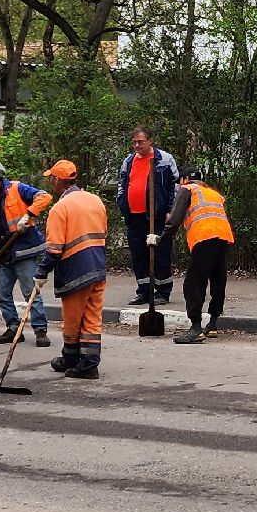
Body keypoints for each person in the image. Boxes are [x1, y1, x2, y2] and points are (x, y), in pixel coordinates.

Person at [38, 159, 111, 379]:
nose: (51, 181)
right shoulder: (95, 200)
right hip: (98, 267)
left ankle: (70, 358)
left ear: (58, 180)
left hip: (75, 271)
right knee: (91, 318)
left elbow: (54, 248)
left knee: (72, 320)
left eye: (52, 178)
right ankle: (89, 363)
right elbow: (104, 232)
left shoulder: (60, 208)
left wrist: (41, 272)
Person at [0, 159, 49, 346]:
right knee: (3, 293)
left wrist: (29, 214)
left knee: (30, 292)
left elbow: (44, 197)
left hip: (24, 252)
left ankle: (40, 330)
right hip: (2, 255)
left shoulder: (17, 189)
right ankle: (13, 328)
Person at [167, 171, 235, 345]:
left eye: (179, 182)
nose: (178, 185)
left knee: (193, 282)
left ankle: (196, 328)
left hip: (204, 236)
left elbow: (174, 220)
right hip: (223, 236)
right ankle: (212, 324)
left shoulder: (187, 189)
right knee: (218, 279)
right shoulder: (214, 193)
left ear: (185, 179)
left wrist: (159, 238)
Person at [114, 127, 179, 306]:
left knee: (161, 254)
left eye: (140, 142)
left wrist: (170, 210)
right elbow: (122, 183)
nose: (137, 145)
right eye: (134, 142)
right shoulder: (128, 161)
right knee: (138, 255)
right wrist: (122, 202)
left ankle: (163, 292)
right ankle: (144, 291)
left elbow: (174, 186)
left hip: (157, 216)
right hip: (134, 216)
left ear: (150, 140)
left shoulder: (164, 160)